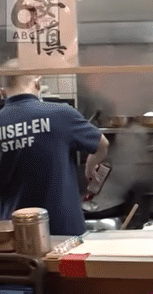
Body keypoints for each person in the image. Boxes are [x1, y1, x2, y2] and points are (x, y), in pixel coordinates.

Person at [0, 60, 109, 235]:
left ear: (2, 92)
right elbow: (102, 144)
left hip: (16, 231)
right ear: (38, 82)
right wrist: (90, 167)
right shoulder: (61, 113)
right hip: (64, 230)